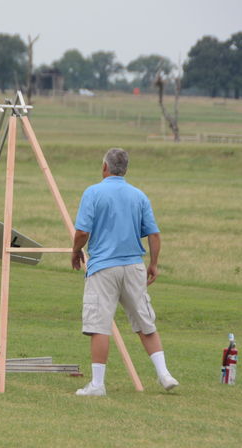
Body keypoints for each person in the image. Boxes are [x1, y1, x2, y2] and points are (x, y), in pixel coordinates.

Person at [71, 147, 178, 397]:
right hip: (133, 267)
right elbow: (153, 234)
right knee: (144, 321)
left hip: (103, 267)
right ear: (125, 169)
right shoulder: (138, 195)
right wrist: (154, 263)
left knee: (99, 325)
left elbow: (82, 232)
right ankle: (164, 374)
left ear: (104, 167)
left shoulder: (93, 192)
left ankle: (97, 385)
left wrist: (76, 250)